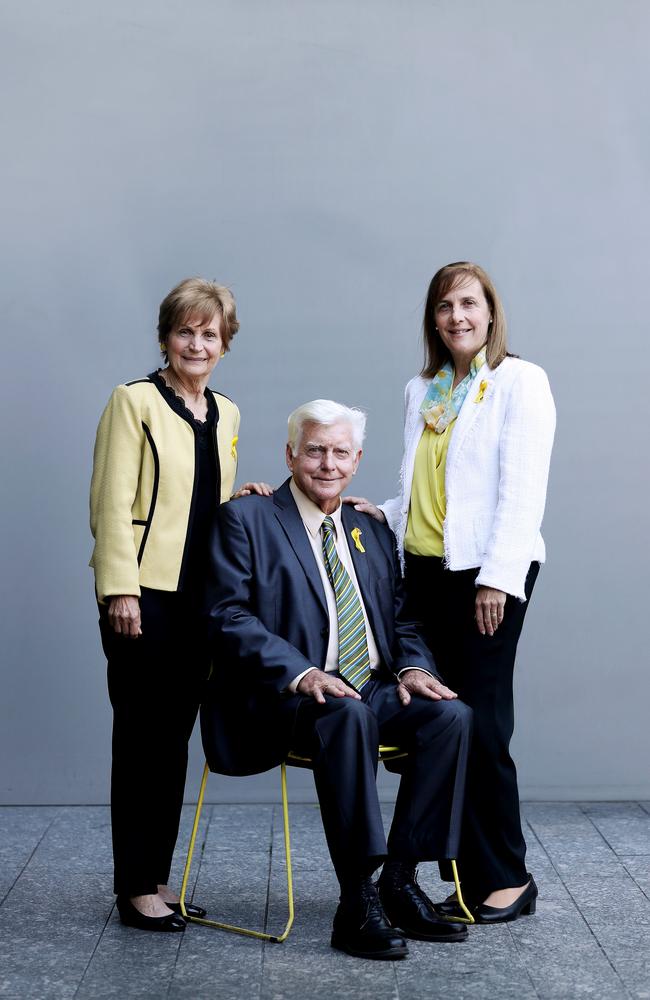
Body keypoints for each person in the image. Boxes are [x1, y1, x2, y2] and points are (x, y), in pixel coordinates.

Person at [202, 399, 473, 960]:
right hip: (280, 697)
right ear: (290, 454)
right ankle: (357, 900)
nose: (328, 463)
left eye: (340, 452)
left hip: (369, 684)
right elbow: (227, 616)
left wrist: (414, 667)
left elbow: (401, 619)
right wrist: (301, 673)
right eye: (315, 450)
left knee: (450, 716)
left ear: (357, 460)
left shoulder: (369, 529)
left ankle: (399, 879)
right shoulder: (247, 518)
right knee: (347, 715)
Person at [346, 262, 555, 923]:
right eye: (444, 306)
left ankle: (508, 879)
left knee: (485, 724)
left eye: (469, 303)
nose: (457, 316)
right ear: (433, 319)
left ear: (491, 312)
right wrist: (382, 510)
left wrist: (499, 576)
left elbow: (521, 489)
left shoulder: (518, 381)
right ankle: (463, 876)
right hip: (428, 572)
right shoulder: (427, 389)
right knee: (448, 726)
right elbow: (429, 488)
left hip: (486, 573)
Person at [90, 277, 270, 932]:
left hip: (202, 604)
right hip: (144, 598)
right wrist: (119, 587)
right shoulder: (133, 401)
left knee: (173, 745)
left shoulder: (227, 412)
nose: (197, 344)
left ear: (225, 345)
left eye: (209, 334)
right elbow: (111, 501)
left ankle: (159, 879)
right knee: (140, 742)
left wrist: (239, 498)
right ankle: (134, 887)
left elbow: (200, 506)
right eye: (185, 331)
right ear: (167, 336)